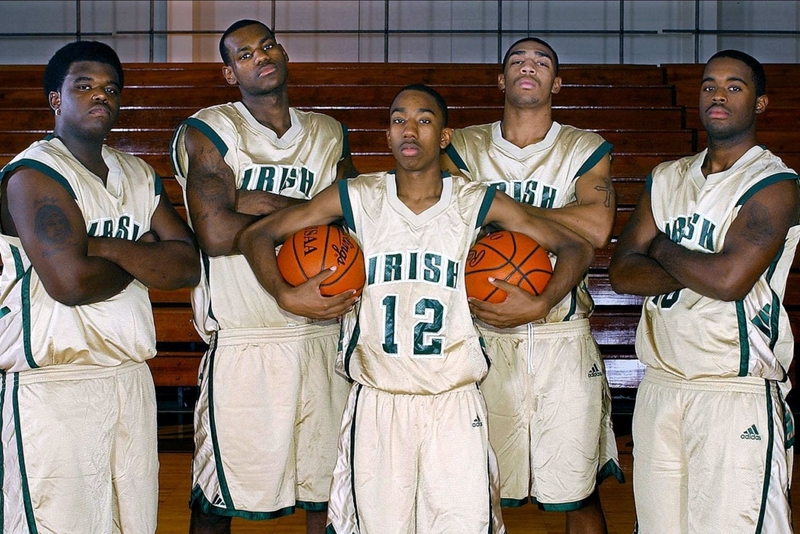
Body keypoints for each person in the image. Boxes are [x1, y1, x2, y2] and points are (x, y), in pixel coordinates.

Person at [237, 84, 595, 534]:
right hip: (378, 401)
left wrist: (541, 302)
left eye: (424, 120)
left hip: (454, 401)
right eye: (398, 120)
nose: (410, 129)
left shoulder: (474, 201)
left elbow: (575, 246)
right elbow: (255, 236)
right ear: (387, 136)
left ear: (444, 137)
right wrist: (284, 294)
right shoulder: (357, 196)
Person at [0, 41, 200, 533]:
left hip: (129, 379)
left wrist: (103, 248)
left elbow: (188, 264)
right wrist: (145, 252)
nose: (100, 96)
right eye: (84, 86)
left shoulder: (137, 174)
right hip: (54, 388)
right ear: (55, 99)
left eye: (111, 89)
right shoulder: (33, 176)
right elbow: (70, 282)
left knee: (130, 525)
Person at [169, 19, 357, 534]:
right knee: (217, 497)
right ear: (230, 73)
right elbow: (214, 230)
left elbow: (357, 217)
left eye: (267, 45)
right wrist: (312, 211)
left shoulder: (327, 133)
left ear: (283, 52)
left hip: (324, 330)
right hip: (246, 339)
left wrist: (254, 204)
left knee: (331, 495)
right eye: (244, 54)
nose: (261, 57)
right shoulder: (209, 130)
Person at [609, 50, 799, 533]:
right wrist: (703, 266)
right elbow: (623, 273)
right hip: (661, 385)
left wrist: (664, 248)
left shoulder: (774, 184)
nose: (718, 94)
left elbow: (730, 281)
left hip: (731, 389)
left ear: (760, 103)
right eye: (710, 84)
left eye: (735, 86)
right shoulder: (666, 177)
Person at [441, 37, 623, 533]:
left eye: (542, 62)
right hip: (481, 332)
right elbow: (447, 222)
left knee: (577, 492)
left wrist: (501, 216)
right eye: (517, 61)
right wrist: (558, 226)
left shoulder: (584, 148)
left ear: (556, 83)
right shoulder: (462, 146)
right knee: (471, 491)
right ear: (501, 80)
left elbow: (596, 228)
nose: (529, 67)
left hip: (561, 336)